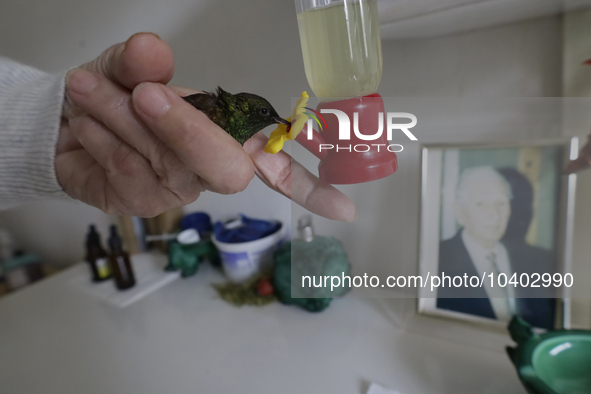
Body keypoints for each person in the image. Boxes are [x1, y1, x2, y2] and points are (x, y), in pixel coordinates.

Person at [0, 32, 357, 222]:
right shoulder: (212, 110)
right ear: (245, 111)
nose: (273, 121)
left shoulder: (242, 130)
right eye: (266, 115)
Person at [437, 166, 556, 330]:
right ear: (459, 213)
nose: (494, 214)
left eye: (500, 203)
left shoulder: (537, 261)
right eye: (480, 204)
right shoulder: (436, 261)